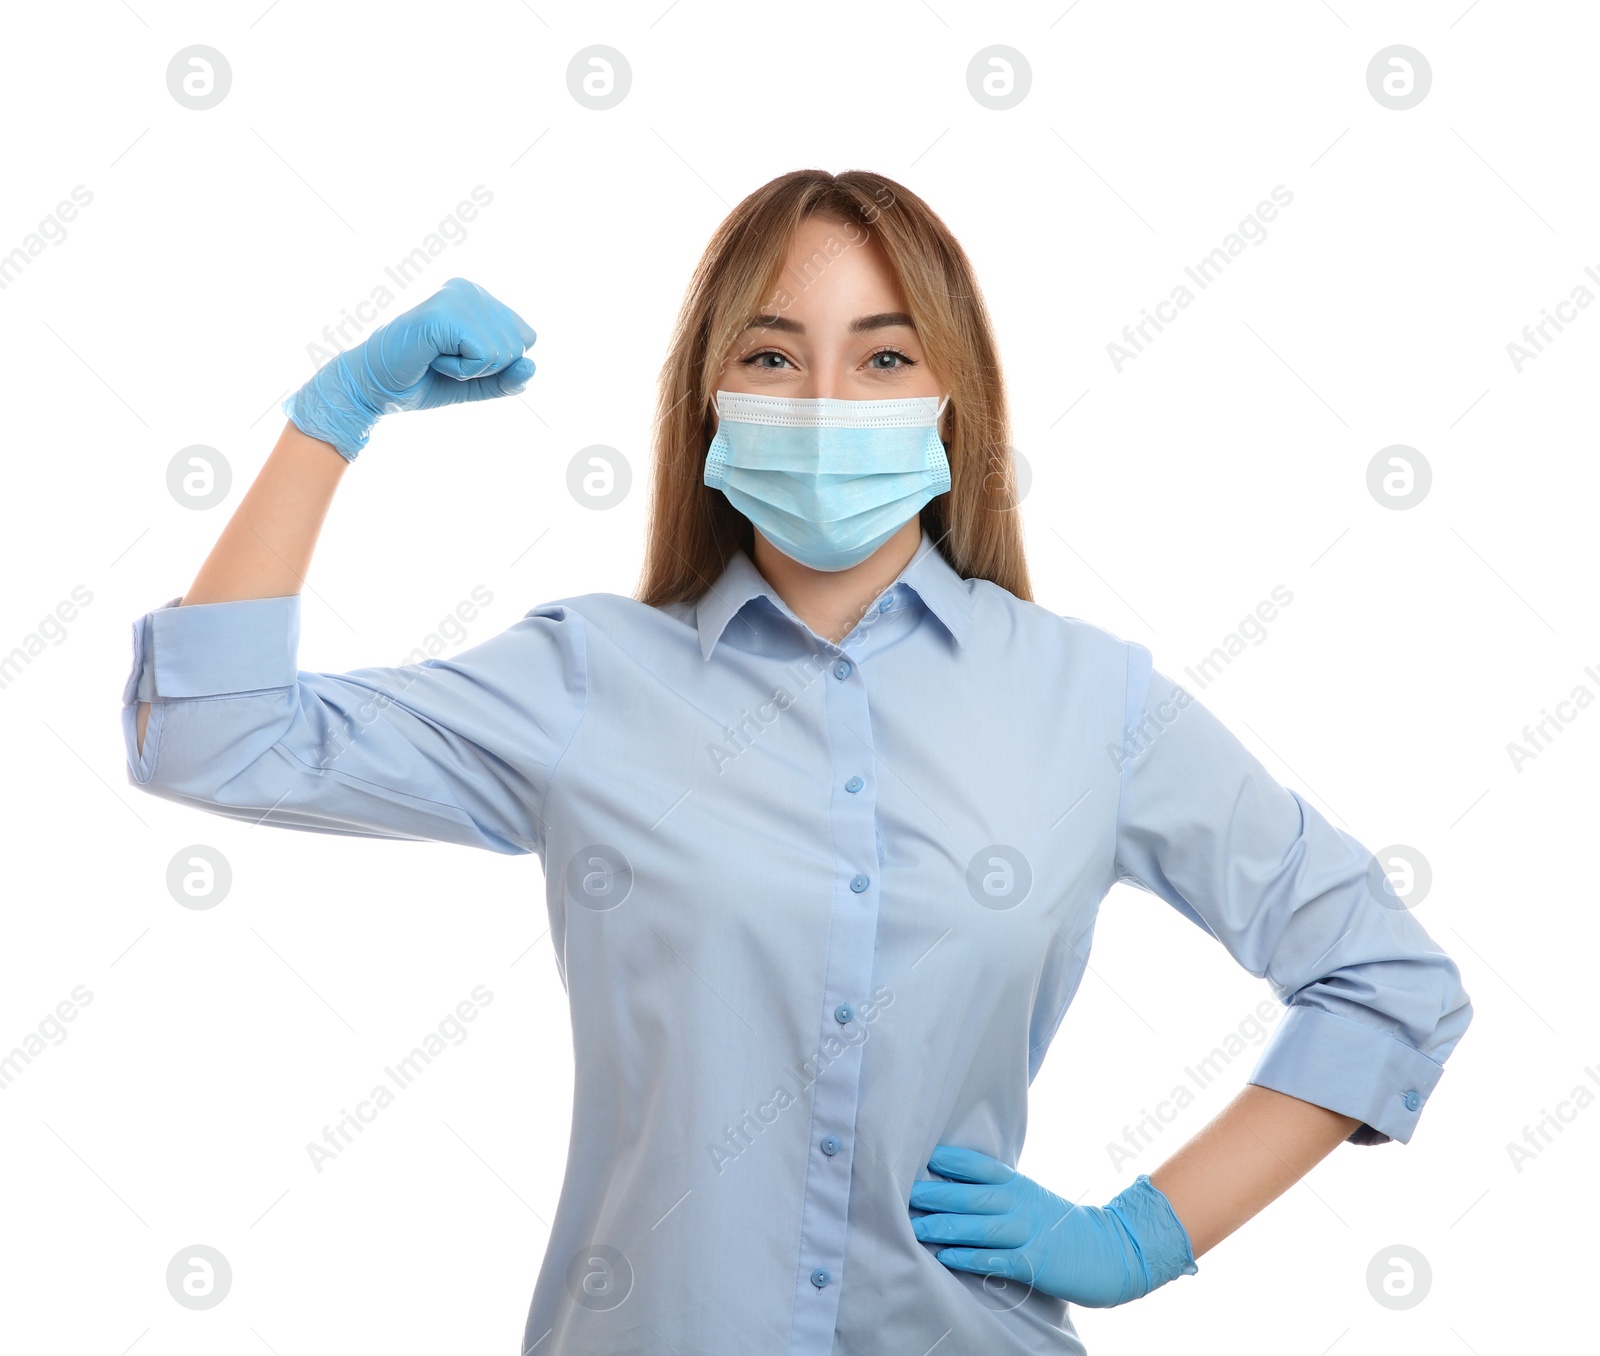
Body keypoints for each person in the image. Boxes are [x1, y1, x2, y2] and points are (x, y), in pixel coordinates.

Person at [121, 169, 1473, 1356]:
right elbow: (212, 737)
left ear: (952, 398)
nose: (826, 399)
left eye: (883, 360)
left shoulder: (1087, 700)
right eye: (773, 357)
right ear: (708, 397)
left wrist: (1137, 1239)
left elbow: (1386, 981)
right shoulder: (589, 679)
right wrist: (331, 417)